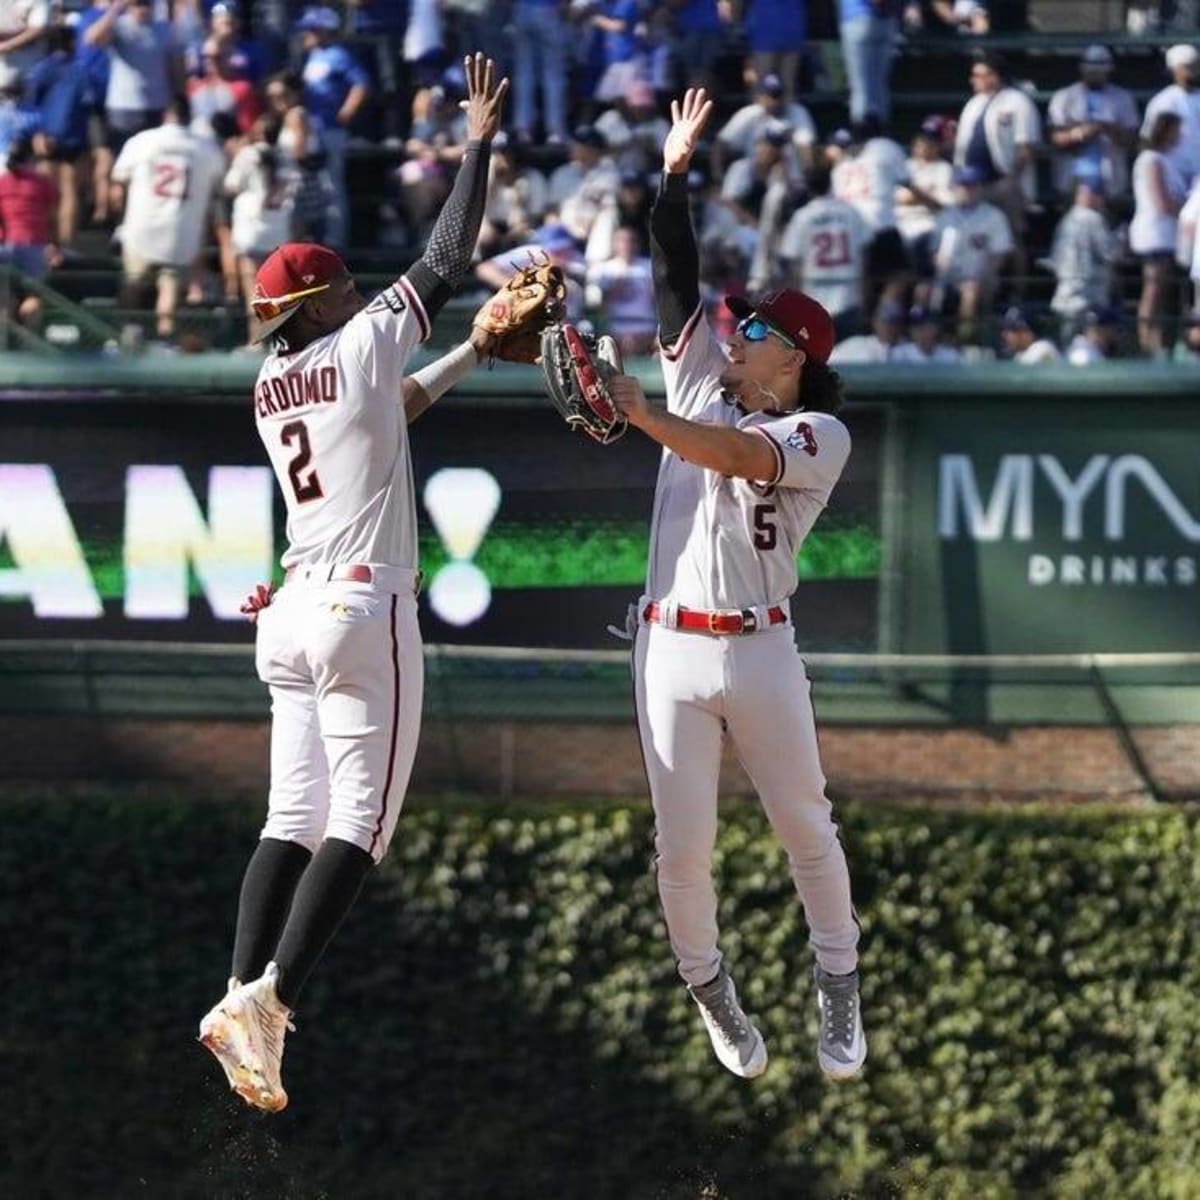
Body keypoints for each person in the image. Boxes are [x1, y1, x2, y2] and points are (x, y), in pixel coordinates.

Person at [197, 53, 509, 1114]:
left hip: (286, 615)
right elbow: (447, 250)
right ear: (331, 295)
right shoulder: (370, 335)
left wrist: (466, 352)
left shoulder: (270, 381)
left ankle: (240, 986)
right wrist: (475, 143)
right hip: (359, 604)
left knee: (291, 814)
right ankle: (272, 998)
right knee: (362, 824)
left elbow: (389, 411)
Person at [605, 87, 866, 1084]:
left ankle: (836, 983)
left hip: (761, 648)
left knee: (807, 827)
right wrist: (671, 175)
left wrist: (639, 416)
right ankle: (709, 986)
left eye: (754, 330)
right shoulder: (696, 380)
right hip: (670, 645)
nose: (735, 334)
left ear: (795, 359)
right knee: (682, 851)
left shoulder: (818, 434)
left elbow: (731, 456)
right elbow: (675, 270)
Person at [110, 92, 225, 340]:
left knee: (134, 281)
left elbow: (118, 184)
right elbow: (218, 186)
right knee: (170, 286)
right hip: (182, 229)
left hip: (142, 224)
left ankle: (129, 333)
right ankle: (165, 338)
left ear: (166, 114)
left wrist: (120, 220)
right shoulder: (206, 148)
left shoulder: (142, 141)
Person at [953, 50, 1041, 279]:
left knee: (1012, 239)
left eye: (979, 75)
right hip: (974, 185)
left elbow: (1026, 146)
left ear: (995, 76)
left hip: (1004, 182)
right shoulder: (973, 104)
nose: (974, 80)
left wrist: (1011, 180)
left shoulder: (1018, 102)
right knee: (978, 240)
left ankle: (1017, 294)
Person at [778, 164, 871, 337]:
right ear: (830, 183)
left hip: (814, 301)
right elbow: (864, 254)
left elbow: (792, 261)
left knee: (817, 361)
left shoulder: (803, 216)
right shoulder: (850, 212)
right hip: (848, 297)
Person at [1046, 45, 1139, 206]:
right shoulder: (1064, 97)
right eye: (1091, 70)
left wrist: (1107, 129)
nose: (1095, 75)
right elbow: (1056, 138)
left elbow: (1132, 140)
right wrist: (1081, 133)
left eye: (1099, 71)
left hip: (1110, 178)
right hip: (1072, 180)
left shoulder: (1122, 98)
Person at [1130, 111, 1186, 355]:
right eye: (1176, 129)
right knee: (1153, 288)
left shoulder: (1165, 159)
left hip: (1167, 234)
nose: (1180, 135)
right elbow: (1161, 200)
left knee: (1161, 290)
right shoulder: (1150, 159)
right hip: (1154, 233)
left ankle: (1158, 340)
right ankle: (1146, 341)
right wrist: (1188, 212)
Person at [1047, 178, 1116, 334]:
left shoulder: (1066, 220)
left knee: (1068, 345)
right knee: (1089, 344)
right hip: (1088, 296)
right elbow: (1110, 253)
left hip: (1065, 292)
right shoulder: (1093, 218)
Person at [1141, 43, 1200, 186]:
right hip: (1172, 176)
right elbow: (1150, 141)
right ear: (1174, 70)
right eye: (1187, 67)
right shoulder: (1163, 101)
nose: (1192, 71)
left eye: (1195, 66)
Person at [838, 0, 901, 123]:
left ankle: (864, 136)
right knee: (878, 85)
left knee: (861, 87)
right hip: (886, 19)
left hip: (858, 19)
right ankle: (880, 132)